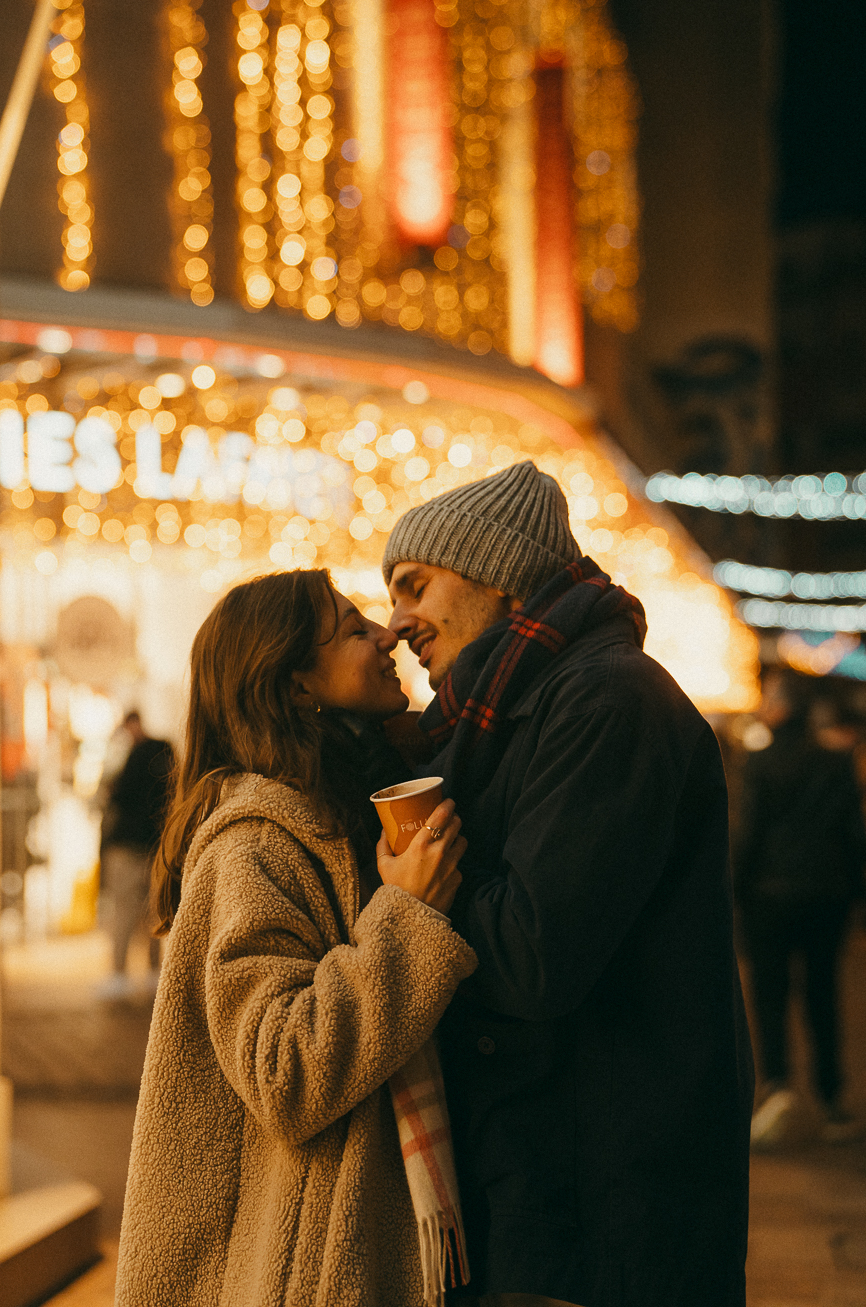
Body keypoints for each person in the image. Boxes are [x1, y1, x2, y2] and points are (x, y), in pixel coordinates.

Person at [383, 460, 755, 1307]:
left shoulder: (606, 703)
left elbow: (531, 957)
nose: (398, 620)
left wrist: (418, 890)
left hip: (603, 1211)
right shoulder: (497, 714)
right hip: (548, 1185)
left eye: (414, 585)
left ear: (496, 574)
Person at [115, 569, 477, 1307]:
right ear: (294, 685)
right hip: (303, 1269)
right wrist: (408, 917)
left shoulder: (341, 809)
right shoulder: (252, 845)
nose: (386, 634)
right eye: (350, 630)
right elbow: (285, 1070)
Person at [734, 669, 866, 1146]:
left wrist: (735, 889)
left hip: (769, 898)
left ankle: (777, 1089)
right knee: (822, 994)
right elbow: (854, 836)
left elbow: (749, 833)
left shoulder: (761, 762)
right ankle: (832, 1101)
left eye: (769, 698)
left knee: (769, 996)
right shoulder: (836, 762)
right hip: (826, 897)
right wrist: (856, 894)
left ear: (783, 706)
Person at [98, 711, 175, 998]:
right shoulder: (164, 751)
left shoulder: (132, 756)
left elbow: (117, 795)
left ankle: (119, 975)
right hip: (155, 845)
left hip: (128, 846)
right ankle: (154, 973)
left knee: (124, 913)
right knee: (153, 914)